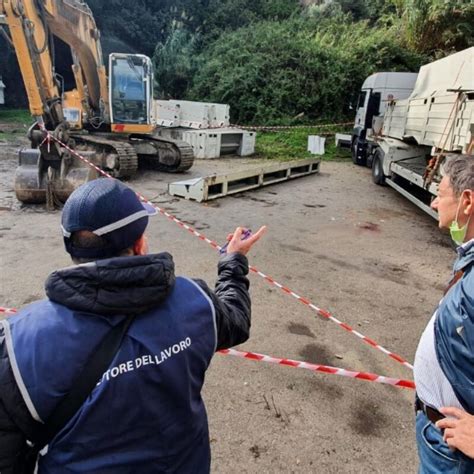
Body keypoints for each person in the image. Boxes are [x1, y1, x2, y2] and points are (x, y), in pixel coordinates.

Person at [0, 178, 266, 473]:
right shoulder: (195, 301)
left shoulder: (18, 342)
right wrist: (233, 260)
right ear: (140, 244)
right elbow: (237, 321)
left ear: (71, 247)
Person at [413, 154, 474, 473]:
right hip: (441, 435)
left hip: (455, 453)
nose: (435, 204)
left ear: (466, 201)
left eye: (440, 193)